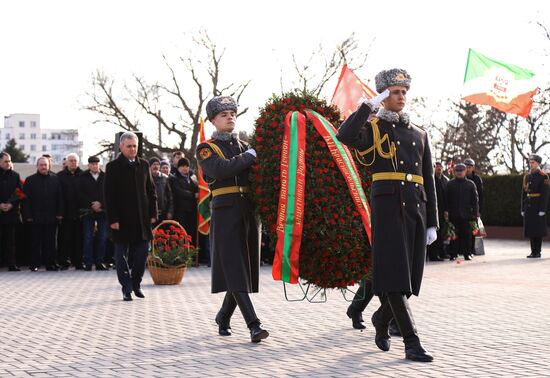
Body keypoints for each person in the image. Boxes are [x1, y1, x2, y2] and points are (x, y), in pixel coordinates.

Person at [337, 68, 437, 362]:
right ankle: (412, 342)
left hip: (416, 210)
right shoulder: (374, 128)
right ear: (383, 96)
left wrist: (433, 221)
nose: (401, 96)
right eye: (394, 92)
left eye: (404, 91)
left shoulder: (420, 133)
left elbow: (428, 179)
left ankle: (382, 319)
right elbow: (345, 135)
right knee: (394, 277)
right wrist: (366, 109)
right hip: (388, 209)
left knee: (410, 280)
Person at [196, 95, 268, 343]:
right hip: (225, 211)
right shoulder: (207, 148)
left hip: (247, 210)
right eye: (223, 115)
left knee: (243, 268)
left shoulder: (243, 146)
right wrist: (250, 156)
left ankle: (224, 316)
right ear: (213, 120)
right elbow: (220, 170)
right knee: (235, 267)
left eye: (232, 114)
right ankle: (254, 325)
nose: (230, 118)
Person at [105, 132, 157, 301]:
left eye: (135, 146)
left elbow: (151, 191)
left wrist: (153, 213)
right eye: (129, 146)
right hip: (121, 220)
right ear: (121, 147)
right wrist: (113, 219)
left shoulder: (143, 164)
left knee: (142, 254)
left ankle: (136, 284)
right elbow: (109, 196)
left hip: (142, 219)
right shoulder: (113, 167)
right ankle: (126, 288)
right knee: (121, 256)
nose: (133, 149)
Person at [22, 157, 63, 271]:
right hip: (35, 217)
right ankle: (35, 264)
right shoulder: (30, 180)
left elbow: (60, 198)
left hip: (51, 216)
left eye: (45, 165)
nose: (43, 167)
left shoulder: (56, 179)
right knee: (35, 242)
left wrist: (59, 213)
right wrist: (28, 216)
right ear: (37, 166)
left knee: (51, 242)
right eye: (41, 165)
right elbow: (26, 200)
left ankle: (50, 264)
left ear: (49, 165)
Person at [77, 156, 108, 271]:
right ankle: (88, 262)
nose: (95, 166)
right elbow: (79, 194)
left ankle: (100, 262)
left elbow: (109, 193)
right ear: (88, 165)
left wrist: (101, 204)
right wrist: (92, 205)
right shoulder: (82, 177)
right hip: (88, 212)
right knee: (88, 237)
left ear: (99, 165)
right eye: (92, 164)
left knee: (103, 237)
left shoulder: (105, 177)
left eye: (96, 163)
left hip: (103, 212)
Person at [444, 163, 479, 261]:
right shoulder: (450, 184)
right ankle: (453, 254)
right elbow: (446, 199)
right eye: (457, 171)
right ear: (455, 172)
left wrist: (475, 214)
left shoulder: (471, 184)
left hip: (467, 215)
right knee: (453, 235)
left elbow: (475, 201)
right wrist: (446, 211)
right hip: (453, 214)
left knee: (467, 236)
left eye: (461, 171)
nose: (459, 173)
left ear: (465, 171)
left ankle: (467, 254)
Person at [57, 153, 84, 269]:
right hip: (65, 213)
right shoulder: (59, 176)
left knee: (79, 239)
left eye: (75, 161)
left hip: (80, 214)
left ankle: (78, 262)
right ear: (66, 162)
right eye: (71, 160)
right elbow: (58, 196)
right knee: (64, 239)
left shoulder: (84, 175)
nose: (73, 163)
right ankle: (64, 262)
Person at [521, 154, 550, 258]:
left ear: (538, 163)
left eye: (532, 162)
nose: (530, 164)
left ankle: (538, 251)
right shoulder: (527, 176)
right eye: (530, 162)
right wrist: (522, 208)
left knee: (538, 229)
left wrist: (542, 209)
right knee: (531, 229)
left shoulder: (543, 176)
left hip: (538, 206)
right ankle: (533, 251)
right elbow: (523, 194)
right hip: (529, 206)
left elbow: (545, 194)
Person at [0, 152, 23, 271]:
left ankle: (11, 264)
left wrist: (11, 204)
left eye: (9, 161)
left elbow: (19, 193)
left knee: (11, 241)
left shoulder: (15, 175)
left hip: (11, 213)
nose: (8, 163)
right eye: (5, 161)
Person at [168, 157, 198, 246]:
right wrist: (193, 195)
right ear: (178, 168)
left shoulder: (193, 178)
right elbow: (179, 192)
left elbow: (197, 189)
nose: (185, 168)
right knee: (181, 233)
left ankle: (191, 253)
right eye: (182, 166)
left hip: (192, 211)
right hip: (180, 210)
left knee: (191, 233)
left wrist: (197, 191)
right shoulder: (174, 178)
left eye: (186, 166)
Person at [427, 162, 449, 261]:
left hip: (442, 211)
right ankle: (433, 255)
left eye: (440, 167)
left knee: (442, 234)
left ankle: (442, 252)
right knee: (433, 231)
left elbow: (448, 197)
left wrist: (447, 210)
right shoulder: (431, 180)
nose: (439, 168)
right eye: (436, 167)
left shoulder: (445, 181)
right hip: (433, 210)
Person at [149, 157, 174, 224]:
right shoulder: (146, 178)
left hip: (164, 213)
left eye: (157, 164)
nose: (156, 166)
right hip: (150, 214)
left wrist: (170, 211)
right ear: (150, 166)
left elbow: (170, 197)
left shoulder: (165, 178)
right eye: (154, 164)